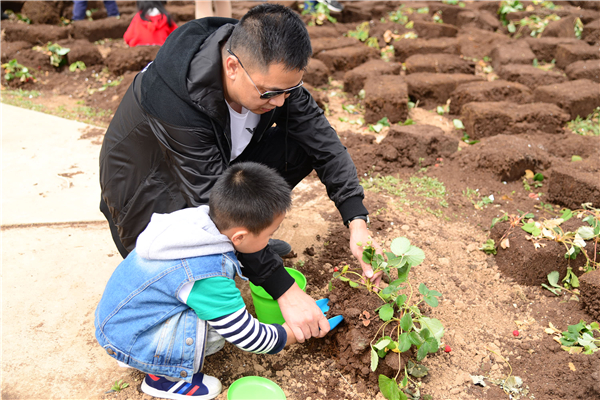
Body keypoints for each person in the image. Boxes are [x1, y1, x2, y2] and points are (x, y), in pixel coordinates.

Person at [99, 3, 378, 344]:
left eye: (290, 90)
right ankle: (240, 248)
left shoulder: (266, 70)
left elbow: (324, 142)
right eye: (271, 93)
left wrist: (357, 221)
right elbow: (218, 201)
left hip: (212, 171)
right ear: (232, 66)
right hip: (151, 201)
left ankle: (247, 245)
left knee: (305, 142)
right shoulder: (174, 98)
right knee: (202, 306)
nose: (280, 102)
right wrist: (284, 290)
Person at [96, 162, 306, 399]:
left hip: (120, 322)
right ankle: (164, 378)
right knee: (217, 332)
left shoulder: (196, 222)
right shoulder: (205, 271)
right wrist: (289, 333)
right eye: (270, 235)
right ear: (239, 237)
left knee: (214, 311)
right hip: (128, 338)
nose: (269, 242)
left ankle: (143, 351)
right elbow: (247, 336)